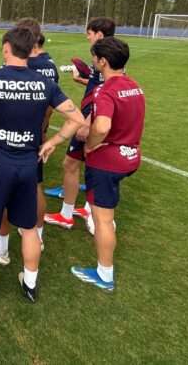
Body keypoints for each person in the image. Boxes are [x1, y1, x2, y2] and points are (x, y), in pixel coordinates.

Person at [0, 27, 85, 308]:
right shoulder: (43, 82)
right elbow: (77, 117)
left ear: (6, 48)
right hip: (28, 163)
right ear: (29, 50)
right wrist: (53, 141)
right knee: (29, 229)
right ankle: (29, 284)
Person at [71, 37, 145, 291]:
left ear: (103, 61)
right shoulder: (135, 86)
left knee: (102, 219)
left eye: (94, 58)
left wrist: (90, 143)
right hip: (130, 156)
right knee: (105, 213)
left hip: (108, 161)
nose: (93, 62)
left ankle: (105, 274)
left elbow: (102, 126)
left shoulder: (106, 89)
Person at [0, 20, 59, 262]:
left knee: (7, 190)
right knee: (34, 185)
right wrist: (43, 131)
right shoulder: (50, 66)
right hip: (35, 136)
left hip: (13, 139)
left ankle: (2, 246)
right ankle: (36, 235)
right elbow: (52, 106)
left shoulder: (25, 66)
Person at [45, 18, 115, 234]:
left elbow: (106, 89)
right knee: (85, 161)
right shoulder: (110, 54)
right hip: (92, 115)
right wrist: (82, 80)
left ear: (100, 35)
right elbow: (100, 83)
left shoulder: (104, 57)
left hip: (90, 117)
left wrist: (88, 121)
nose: (87, 36)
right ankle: (83, 208)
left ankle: (68, 214)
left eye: (90, 33)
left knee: (71, 163)